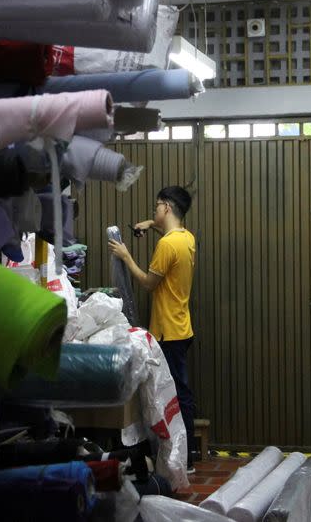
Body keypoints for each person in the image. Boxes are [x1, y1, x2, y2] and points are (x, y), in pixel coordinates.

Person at [108, 185, 197, 473]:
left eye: (157, 207)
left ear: (167, 208)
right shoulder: (185, 238)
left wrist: (125, 256)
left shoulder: (167, 245)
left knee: (175, 394)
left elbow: (148, 283)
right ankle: (187, 455)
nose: (154, 210)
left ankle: (185, 459)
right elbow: (170, 248)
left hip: (168, 331)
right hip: (182, 327)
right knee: (181, 392)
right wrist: (152, 225)